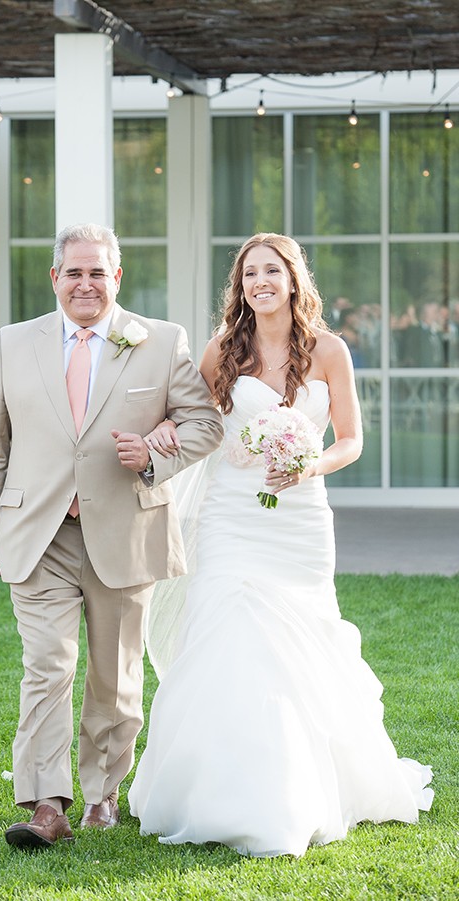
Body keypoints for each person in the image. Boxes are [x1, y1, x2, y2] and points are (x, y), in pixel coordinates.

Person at [128, 233, 433, 858]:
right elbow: (188, 415)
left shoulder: (329, 351)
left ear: (294, 279)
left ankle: (302, 790)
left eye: (271, 270)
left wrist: (310, 465)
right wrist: (160, 433)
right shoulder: (222, 349)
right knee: (227, 635)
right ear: (239, 287)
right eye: (248, 274)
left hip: (298, 523)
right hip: (231, 520)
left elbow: (350, 439)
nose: (259, 282)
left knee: (303, 644)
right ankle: (215, 791)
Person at [0, 223, 223, 849]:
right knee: (46, 667)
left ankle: (103, 792)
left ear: (117, 277)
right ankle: (46, 804)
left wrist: (156, 450)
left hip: (126, 529)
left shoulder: (159, 342)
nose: (85, 283)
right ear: (54, 278)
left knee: (116, 673)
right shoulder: (14, 343)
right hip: (36, 533)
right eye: (73, 272)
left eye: (97, 272)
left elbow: (204, 423)